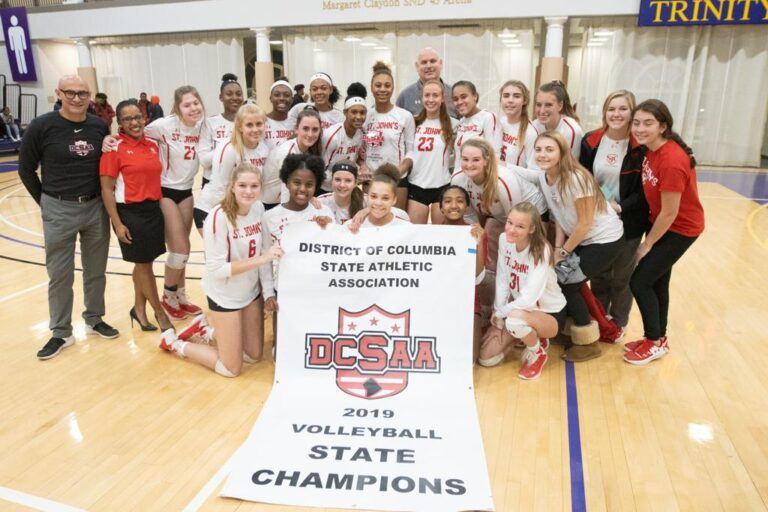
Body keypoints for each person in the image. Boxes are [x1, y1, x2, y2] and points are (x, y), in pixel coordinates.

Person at [18, 75, 119, 360]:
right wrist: (46, 203)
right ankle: (61, 331)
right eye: (71, 93)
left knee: (96, 269)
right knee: (60, 274)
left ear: (90, 96)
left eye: (83, 93)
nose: (77, 98)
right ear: (58, 93)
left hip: (94, 207)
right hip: (58, 208)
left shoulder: (99, 126)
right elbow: (26, 170)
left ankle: (94, 317)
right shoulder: (42, 126)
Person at [160, 163, 283, 377]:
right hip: (225, 295)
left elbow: (265, 251)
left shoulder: (258, 208)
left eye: (254, 186)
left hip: (250, 292)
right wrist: (262, 259)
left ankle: (205, 331)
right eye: (242, 185)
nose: (248, 191)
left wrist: (268, 293)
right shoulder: (218, 217)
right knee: (231, 369)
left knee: (254, 355)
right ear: (232, 187)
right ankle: (176, 344)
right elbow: (217, 269)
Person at [624, 99, 705, 365]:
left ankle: (653, 341)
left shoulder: (671, 160)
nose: (640, 128)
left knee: (640, 281)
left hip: (679, 228)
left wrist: (647, 245)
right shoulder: (651, 149)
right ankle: (658, 338)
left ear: (663, 126)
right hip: (661, 222)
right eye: (636, 123)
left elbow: (670, 213)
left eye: (648, 123)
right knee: (657, 281)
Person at [535, 131, 625, 362]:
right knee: (558, 279)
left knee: (569, 284)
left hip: (605, 240)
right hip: (582, 239)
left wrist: (564, 252)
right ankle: (567, 331)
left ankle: (587, 342)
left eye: (549, 149)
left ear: (562, 152)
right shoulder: (545, 177)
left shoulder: (576, 178)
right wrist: (557, 251)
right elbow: (560, 219)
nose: (543, 154)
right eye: (538, 149)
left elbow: (584, 224)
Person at [99, 99, 173, 334]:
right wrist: (118, 224)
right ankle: (160, 313)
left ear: (144, 118)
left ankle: (138, 309)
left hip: (152, 210)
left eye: (137, 117)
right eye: (128, 119)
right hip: (130, 214)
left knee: (145, 264)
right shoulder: (114, 148)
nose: (134, 122)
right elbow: (106, 189)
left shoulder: (152, 144)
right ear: (119, 122)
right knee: (143, 265)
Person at [579, 90, 648, 339]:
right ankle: (599, 319)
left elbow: (644, 190)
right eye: (611, 109)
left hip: (628, 220)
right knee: (599, 275)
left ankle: (619, 322)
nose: (616, 114)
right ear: (604, 112)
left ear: (632, 112)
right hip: (599, 219)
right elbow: (585, 176)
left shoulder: (641, 146)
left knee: (622, 276)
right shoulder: (591, 140)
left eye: (622, 109)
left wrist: (620, 207)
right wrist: (604, 199)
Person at [137, 85, 208, 320]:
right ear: (177, 108)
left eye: (196, 103)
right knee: (180, 249)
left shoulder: (203, 127)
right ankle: (168, 296)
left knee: (183, 252)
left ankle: (181, 296)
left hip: (187, 191)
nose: (193, 108)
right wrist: (110, 140)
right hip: (165, 190)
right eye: (187, 105)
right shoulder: (163, 126)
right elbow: (133, 132)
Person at [479, 202, 568, 380]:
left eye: (520, 226)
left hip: (548, 313)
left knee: (514, 321)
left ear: (532, 228)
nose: (511, 229)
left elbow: (529, 299)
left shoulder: (541, 251)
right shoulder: (505, 239)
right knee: (487, 358)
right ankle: (529, 336)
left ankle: (538, 352)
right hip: (519, 310)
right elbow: (503, 277)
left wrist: (504, 313)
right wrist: (498, 308)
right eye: (510, 222)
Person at [262, 153, 334, 353]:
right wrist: (268, 293)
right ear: (286, 181)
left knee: (313, 350)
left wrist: (328, 231)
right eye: (296, 182)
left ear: (317, 185)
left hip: (315, 290)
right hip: (283, 291)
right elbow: (265, 261)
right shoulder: (270, 217)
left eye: (309, 184)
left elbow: (335, 254)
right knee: (282, 355)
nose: (302, 189)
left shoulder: (324, 214)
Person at [195, 103, 269, 231]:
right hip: (214, 209)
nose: (255, 129)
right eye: (249, 125)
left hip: (241, 210)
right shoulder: (229, 149)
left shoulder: (263, 148)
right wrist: (232, 220)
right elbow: (220, 189)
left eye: (259, 124)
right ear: (240, 127)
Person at [399, 80, 457, 224]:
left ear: (443, 98)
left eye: (435, 95)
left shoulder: (453, 124)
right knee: (416, 236)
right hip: (417, 185)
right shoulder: (413, 122)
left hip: (442, 186)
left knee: (440, 236)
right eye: (427, 95)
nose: (431, 100)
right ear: (422, 97)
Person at [439, 185, 486, 361]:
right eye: (448, 201)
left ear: (467, 206)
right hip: (437, 304)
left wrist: (479, 245)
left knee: (469, 361)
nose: (453, 206)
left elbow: (478, 278)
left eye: (460, 201)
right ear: (440, 207)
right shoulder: (429, 234)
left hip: (468, 304)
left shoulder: (475, 234)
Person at [362, 61, 415, 210]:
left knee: (396, 224)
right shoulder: (366, 116)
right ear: (372, 88)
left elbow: (411, 150)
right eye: (378, 85)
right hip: (372, 179)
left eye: (387, 85)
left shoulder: (405, 116)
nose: (382, 89)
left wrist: (400, 170)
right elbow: (363, 148)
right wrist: (363, 168)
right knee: (372, 223)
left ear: (393, 88)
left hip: (398, 180)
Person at [263, 107, 323, 208]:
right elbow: (287, 193)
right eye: (305, 128)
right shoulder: (287, 152)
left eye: (315, 129)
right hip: (269, 205)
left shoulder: (309, 149)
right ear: (296, 129)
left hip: (284, 200)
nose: (310, 134)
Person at [199, 73, 244, 189]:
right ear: (221, 97)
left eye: (239, 94)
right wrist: (231, 142)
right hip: (213, 183)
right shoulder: (210, 123)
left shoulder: (249, 124)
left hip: (239, 183)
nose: (235, 97)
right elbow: (204, 161)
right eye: (229, 94)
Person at [321, 83, 367, 194]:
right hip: (325, 188)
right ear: (345, 113)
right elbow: (321, 167)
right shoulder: (332, 136)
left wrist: (362, 167)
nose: (358, 117)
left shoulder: (361, 133)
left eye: (362, 112)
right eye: (354, 112)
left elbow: (356, 157)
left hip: (345, 187)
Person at [396, 47, 457, 118]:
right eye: (424, 62)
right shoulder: (405, 97)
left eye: (432, 61)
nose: (429, 66)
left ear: (440, 63)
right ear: (417, 66)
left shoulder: (453, 94)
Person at [533, 80, 584, 159]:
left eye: (548, 105)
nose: (542, 111)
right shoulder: (534, 126)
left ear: (560, 105)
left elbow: (568, 167)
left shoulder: (571, 131)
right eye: (538, 104)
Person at [452, 80, 502, 158]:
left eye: (464, 97)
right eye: (455, 99)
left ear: (475, 96)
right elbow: (458, 157)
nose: (459, 102)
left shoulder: (488, 117)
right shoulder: (461, 122)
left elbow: (495, 155)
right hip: (460, 170)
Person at [358, 164, 411, 228]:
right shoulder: (357, 221)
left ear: (394, 199)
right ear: (367, 196)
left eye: (385, 198)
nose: (378, 203)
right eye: (374, 196)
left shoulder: (403, 220)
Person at [499, 80, 538, 168]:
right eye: (506, 96)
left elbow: (536, 174)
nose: (510, 100)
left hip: (516, 181)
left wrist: (506, 166)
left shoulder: (530, 133)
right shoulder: (500, 122)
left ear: (524, 101)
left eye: (516, 96)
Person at [264, 78, 295, 150]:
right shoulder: (261, 122)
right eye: (277, 95)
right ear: (270, 98)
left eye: (286, 95)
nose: (281, 98)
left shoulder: (296, 123)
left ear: (292, 99)